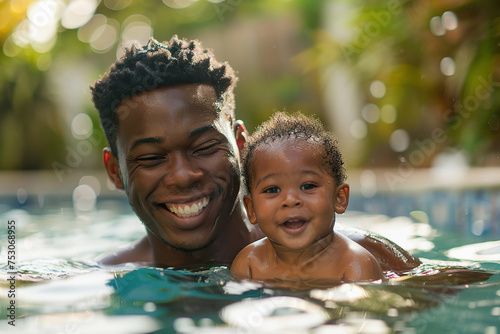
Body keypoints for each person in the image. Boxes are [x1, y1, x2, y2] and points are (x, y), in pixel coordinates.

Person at [90, 35, 420, 271]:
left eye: (204, 147)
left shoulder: (362, 261)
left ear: (241, 144)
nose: (183, 174)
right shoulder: (103, 278)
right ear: (115, 171)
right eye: (151, 157)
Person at [230, 112, 384, 282]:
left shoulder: (354, 265)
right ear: (251, 209)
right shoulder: (249, 264)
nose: (290, 200)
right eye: (272, 189)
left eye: (308, 186)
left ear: (339, 198)